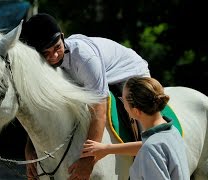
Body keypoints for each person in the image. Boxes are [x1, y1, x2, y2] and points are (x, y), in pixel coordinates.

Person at [20, 13, 151, 179]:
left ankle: (147, 161)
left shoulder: (84, 57)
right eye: (45, 54)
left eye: (57, 48)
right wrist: (30, 150)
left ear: (62, 37)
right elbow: (42, 111)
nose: (53, 56)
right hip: (99, 74)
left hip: (130, 73)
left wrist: (88, 160)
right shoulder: (42, 67)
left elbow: (99, 110)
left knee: (134, 108)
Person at [81, 77, 190, 180]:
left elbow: (149, 148)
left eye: (123, 100)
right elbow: (149, 146)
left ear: (136, 111)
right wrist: (107, 149)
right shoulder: (171, 132)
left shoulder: (150, 149)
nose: (122, 103)